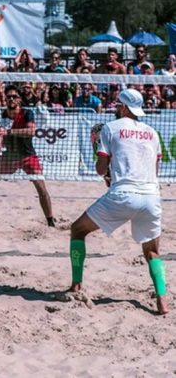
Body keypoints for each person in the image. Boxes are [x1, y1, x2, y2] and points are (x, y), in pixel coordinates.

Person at [67, 89, 168, 315]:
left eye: (117, 105)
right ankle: (162, 300)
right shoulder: (152, 132)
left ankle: (76, 285)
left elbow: (100, 169)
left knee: (77, 230)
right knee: (152, 252)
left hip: (123, 195)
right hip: (151, 196)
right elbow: (154, 171)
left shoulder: (110, 128)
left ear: (122, 107)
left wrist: (107, 173)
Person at [0, 85, 55, 227]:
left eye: (14, 96)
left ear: (19, 99)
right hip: (9, 157)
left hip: (27, 155)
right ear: (5, 99)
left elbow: (31, 132)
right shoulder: (1, 116)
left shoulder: (27, 113)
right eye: (9, 97)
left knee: (42, 189)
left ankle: (50, 222)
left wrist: (8, 132)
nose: (11, 99)